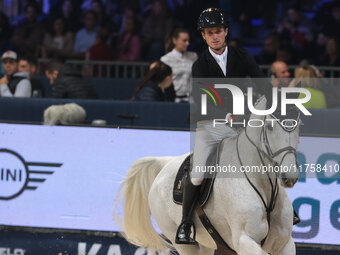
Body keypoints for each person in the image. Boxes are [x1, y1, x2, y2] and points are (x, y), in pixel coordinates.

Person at [175, 8, 299, 245]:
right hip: (211, 124)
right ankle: (186, 222)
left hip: (242, 122)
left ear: (226, 31)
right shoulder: (200, 65)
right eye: (210, 33)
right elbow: (204, 100)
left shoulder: (243, 56)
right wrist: (227, 115)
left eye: (218, 31)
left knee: (269, 154)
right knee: (199, 171)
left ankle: (285, 210)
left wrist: (273, 106)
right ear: (203, 35)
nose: (215, 36)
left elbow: (262, 85)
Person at [161, 28, 198, 102]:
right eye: (184, 40)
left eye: (188, 40)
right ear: (175, 40)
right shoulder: (166, 59)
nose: (187, 43)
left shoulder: (193, 56)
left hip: (192, 99)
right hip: (174, 100)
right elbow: (162, 84)